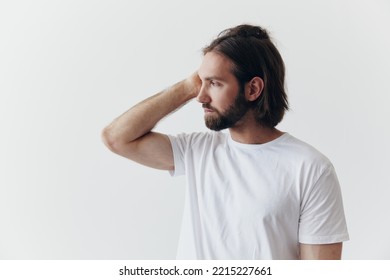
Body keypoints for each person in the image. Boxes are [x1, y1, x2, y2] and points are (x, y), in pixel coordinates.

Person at [101, 24, 349, 260]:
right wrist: (187, 86)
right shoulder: (197, 151)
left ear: (253, 89)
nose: (200, 96)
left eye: (215, 83)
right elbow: (116, 138)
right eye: (201, 81)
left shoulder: (311, 169)